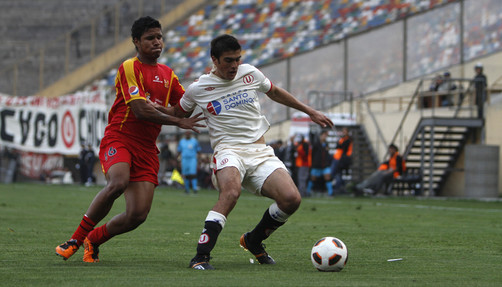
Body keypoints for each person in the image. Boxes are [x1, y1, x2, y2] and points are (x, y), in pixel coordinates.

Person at [169, 34, 334, 270]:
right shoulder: (199, 88)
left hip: (259, 150)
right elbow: (178, 112)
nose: (234, 65)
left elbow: (274, 92)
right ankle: (201, 256)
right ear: (214, 59)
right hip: (228, 150)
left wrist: (309, 110)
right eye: (228, 60)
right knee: (231, 192)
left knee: (291, 199)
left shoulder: (250, 73)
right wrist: (156, 111)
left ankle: (253, 240)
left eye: (237, 59)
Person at [55, 16, 205, 263]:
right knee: (118, 183)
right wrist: (176, 120)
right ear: (136, 42)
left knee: (137, 215)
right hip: (120, 138)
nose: (157, 42)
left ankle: (94, 238)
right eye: (150, 38)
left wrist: (202, 86)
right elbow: (140, 110)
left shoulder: (168, 75)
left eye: (159, 37)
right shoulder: (129, 67)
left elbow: (182, 108)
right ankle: (75, 239)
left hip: (147, 148)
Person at [306, 130, 333, 196]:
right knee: (313, 178)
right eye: (323, 135)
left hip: (325, 165)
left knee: (327, 177)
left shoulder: (326, 144)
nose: (324, 137)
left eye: (325, 135)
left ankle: (330, 193)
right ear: (320, 136)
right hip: (316, 165)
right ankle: (307, 192)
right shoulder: (316, 144)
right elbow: (312, 153)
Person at [331, 127, 352, 194]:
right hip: (337, 158)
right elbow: (337, 146)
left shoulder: (348, 140)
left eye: (345, 131)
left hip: (341, 159)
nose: (343, 132)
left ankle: (339, 187)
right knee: (337, 174)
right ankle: (341, 186)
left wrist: (339, 143)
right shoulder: (342, 139)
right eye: (343, 131)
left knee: (335, 173)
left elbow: (342, 146)